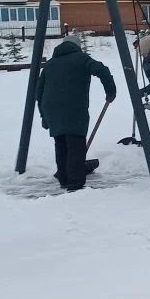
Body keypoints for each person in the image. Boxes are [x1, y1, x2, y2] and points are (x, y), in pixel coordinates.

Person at [36, 34, 116, 192]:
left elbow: (39, 93)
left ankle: (64, 178)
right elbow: (102, 70)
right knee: (75, 145)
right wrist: (111, 91)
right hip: (74, 109)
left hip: (51, 109)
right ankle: (75, 183)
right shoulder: (81, 59)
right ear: (77, 46)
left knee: (60, 144)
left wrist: (44, 116)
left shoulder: (50, 65)